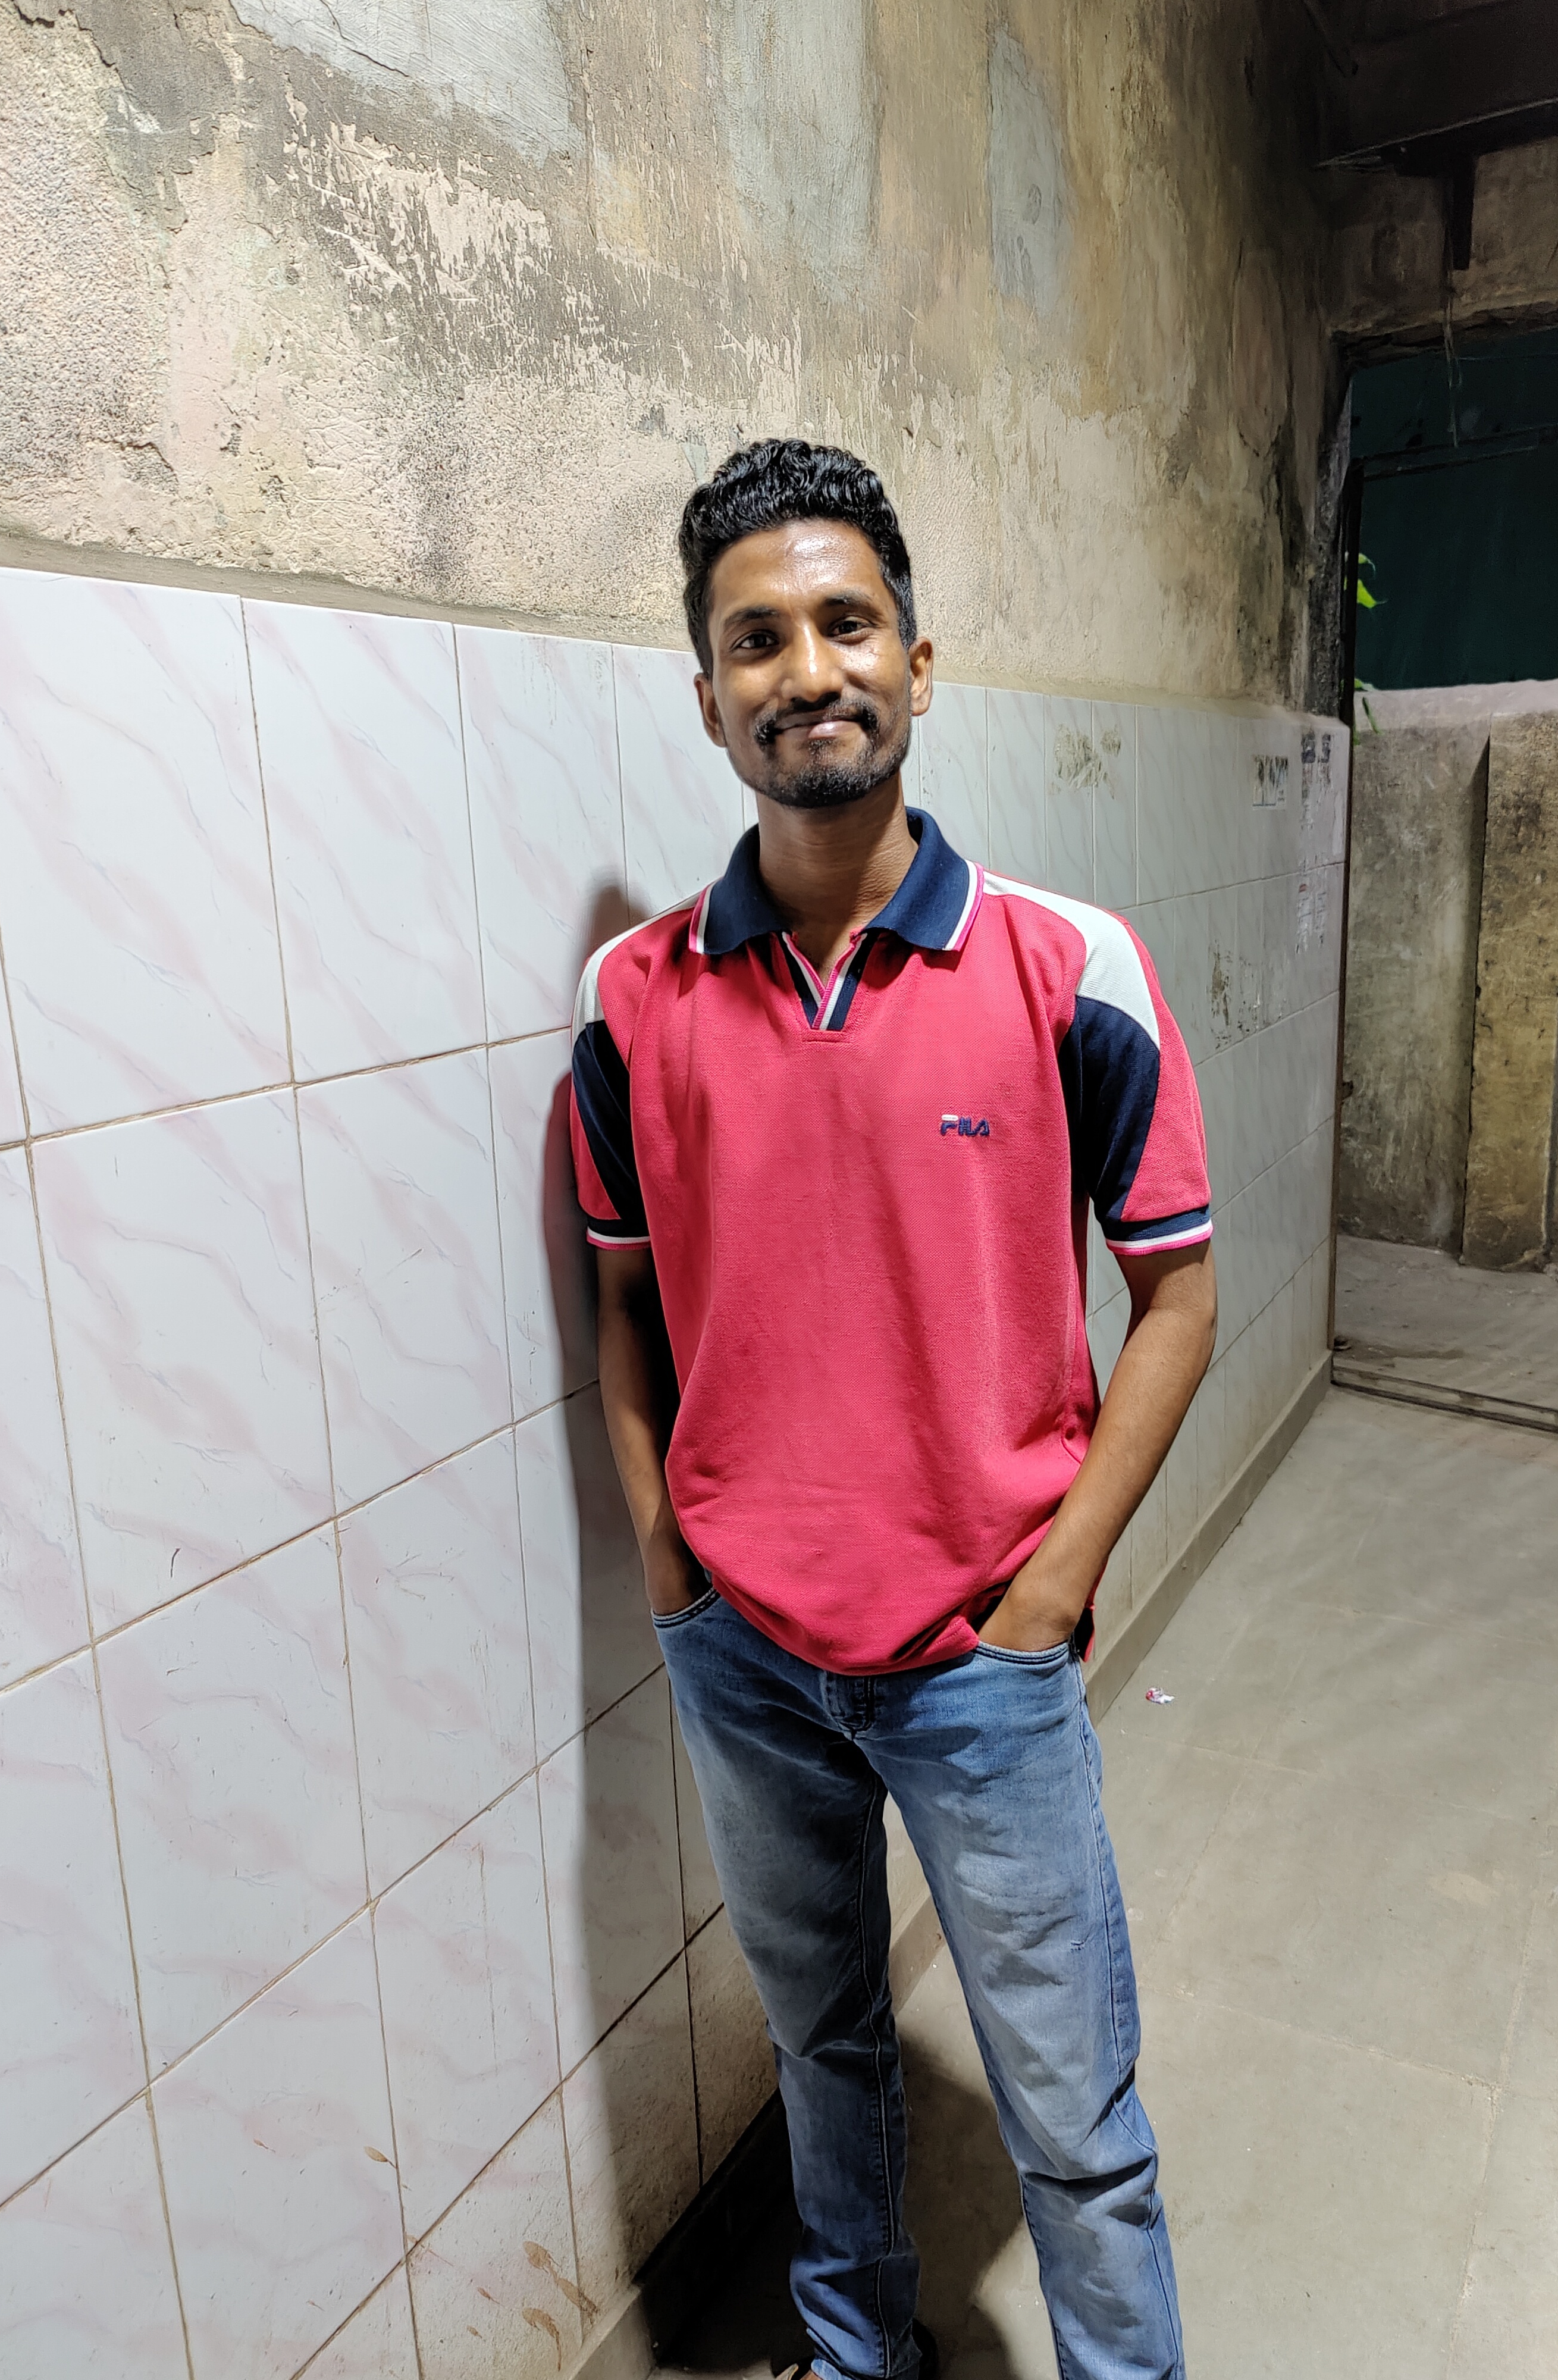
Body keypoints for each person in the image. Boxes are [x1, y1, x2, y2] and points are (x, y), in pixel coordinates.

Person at [571, 439, 1214, 2380]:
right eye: (756, 640)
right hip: (744, 1653)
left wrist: (1048, 1594)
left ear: (919, 665)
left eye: (846, 622)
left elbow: (1178, 1299)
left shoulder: (1068, 967)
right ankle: (860, 2351)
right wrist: (672, 1562)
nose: (808, 669)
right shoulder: (634, 1002)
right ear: (710, 701)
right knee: (822, 2049)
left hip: (981, 1664)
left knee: (1073, 2117)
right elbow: (625, 1305)